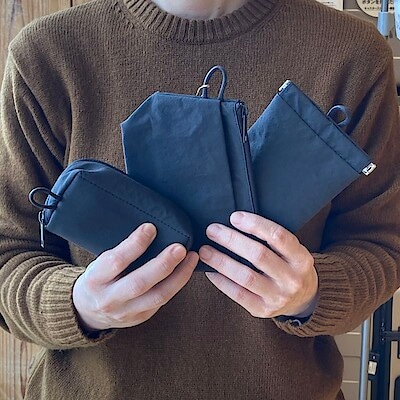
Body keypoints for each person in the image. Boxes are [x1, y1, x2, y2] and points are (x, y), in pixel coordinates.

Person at [0, 0, 399, 399]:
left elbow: (383, 244)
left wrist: (312, 294)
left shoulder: (351, 53)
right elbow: (9, 256)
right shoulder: (46, 54)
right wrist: (78, 305)